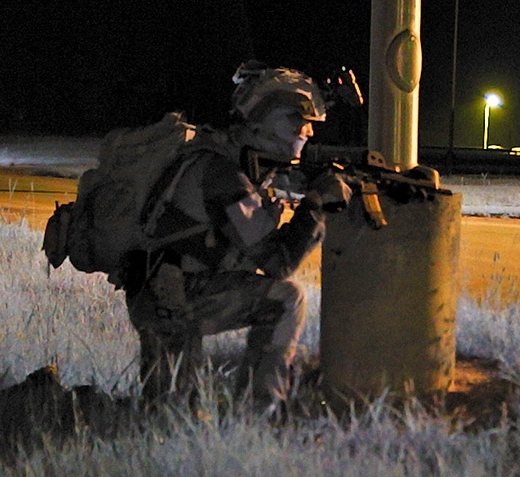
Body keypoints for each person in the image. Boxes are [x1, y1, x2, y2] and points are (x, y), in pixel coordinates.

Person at [122, 62, 351, 405]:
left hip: (166, 288)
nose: (308, 133)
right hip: (175, 296)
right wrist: (317, 205)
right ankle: (261, 409)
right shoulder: (223, 174)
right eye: (299, 123)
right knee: (286, 298)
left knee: (172, 405)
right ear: (270, 122)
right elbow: (279, 262)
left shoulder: (227, 156)